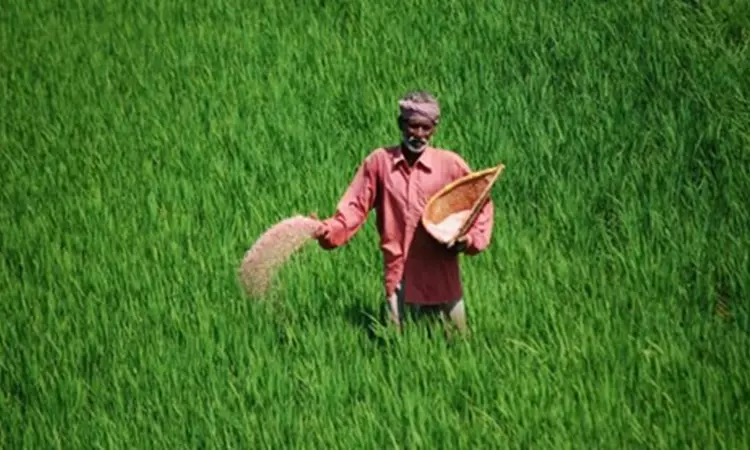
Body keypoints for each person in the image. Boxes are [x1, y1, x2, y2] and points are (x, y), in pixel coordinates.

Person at [312, 90, 494, 335]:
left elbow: (480, 202)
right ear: (400, 123)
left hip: (441, 273)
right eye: (412, 126)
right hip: (399, 274)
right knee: (398, 342)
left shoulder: (449, 164)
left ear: (434, 128)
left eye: (425, 128)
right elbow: (355, 207)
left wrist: (470, 240)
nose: (418, 134)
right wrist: (327, 230)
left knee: (456, 343)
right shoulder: (380, 163)